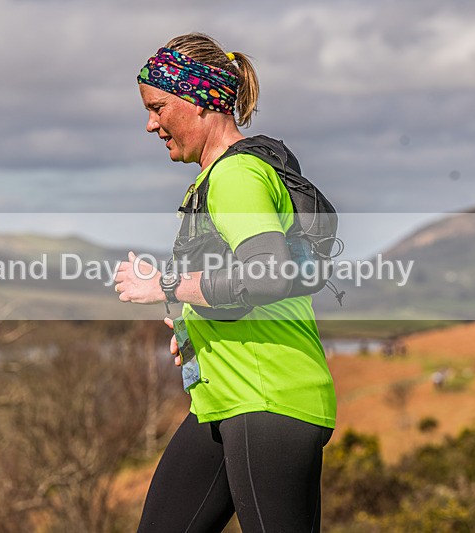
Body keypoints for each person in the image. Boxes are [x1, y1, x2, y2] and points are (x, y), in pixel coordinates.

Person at [113, 33, 337, 532]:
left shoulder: (237, 175)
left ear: (197, 101)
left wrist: (167, 286)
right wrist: (194, 323)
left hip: (268, 400)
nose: (150, 124)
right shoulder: (217, 176)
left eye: (158, 107)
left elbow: (268, 273)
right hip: (224, 399)